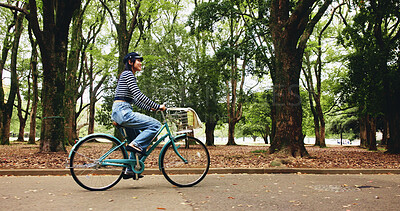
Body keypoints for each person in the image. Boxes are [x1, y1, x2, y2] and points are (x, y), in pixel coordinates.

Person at [112, 52, 166, 179]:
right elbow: (139, 95)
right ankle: (135, 145)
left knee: (142, 144)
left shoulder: (127, 76)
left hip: (121, 111)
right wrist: (158, 106)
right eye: (138, 60)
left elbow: (135, 100)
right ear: (130, 62)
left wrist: (151, 109)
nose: (140, 63)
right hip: (123, 112)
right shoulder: (128, 74)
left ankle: (130, 170)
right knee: (156, 125)